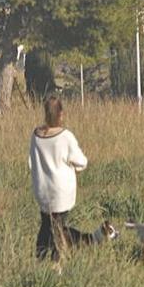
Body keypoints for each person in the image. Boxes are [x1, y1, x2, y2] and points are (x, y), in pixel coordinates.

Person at [29, 95, 93, 262]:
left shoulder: (35, 136)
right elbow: (81, 161)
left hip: (42, 189)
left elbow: (31, 163)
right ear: (61, 114)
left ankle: (40, 258)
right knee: (58, 227)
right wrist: (77, 167)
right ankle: (56, 261)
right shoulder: (65, 136)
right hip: (61, 191)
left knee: (45, 225)